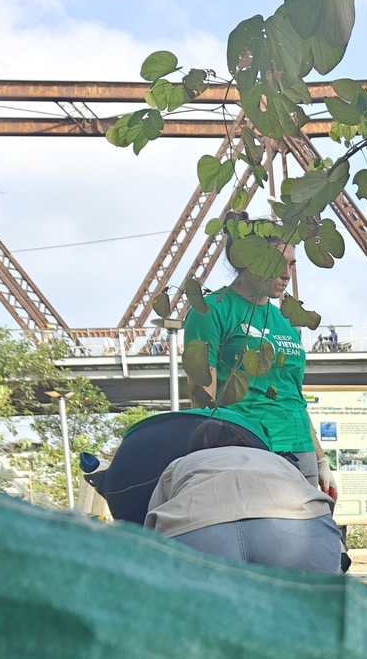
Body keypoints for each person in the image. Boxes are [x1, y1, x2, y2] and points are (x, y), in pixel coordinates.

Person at [184, 218, 333, 499]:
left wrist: (321, 458)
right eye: (278, 263)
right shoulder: (212, 310)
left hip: (300, 450)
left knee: (306, 540)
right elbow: (203, 394)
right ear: (250, 259)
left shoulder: (286, 319)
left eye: (292, 264)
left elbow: (293, 394)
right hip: (246, 446)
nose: (287, 274)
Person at [143, 419, 343, 572]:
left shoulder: (182, 463)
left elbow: (151, 527)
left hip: (200, 535)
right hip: (303, 533)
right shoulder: (275, 460)